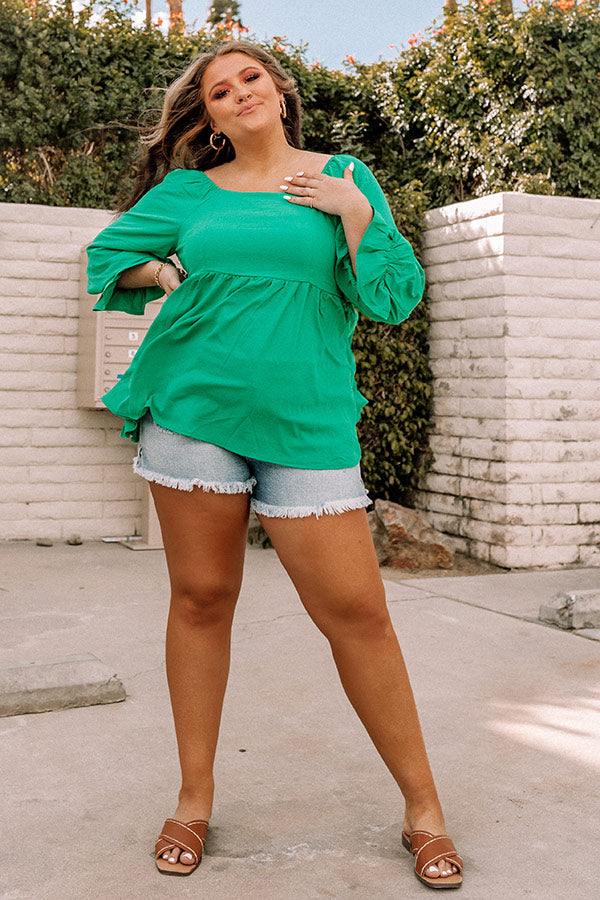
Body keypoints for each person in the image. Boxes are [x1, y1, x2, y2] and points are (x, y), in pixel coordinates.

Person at [85, 40, 463, 889]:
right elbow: (107, 260)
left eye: (250, 77)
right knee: (201, 599)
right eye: (219, 90)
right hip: (194, 413)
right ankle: (193, 799)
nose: (238, 92)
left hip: (307, 420)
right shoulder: (189, 193)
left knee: (357, 613)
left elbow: (392, 298)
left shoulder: (344, 177)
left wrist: (354, 213)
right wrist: (165, 271)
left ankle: (424, 809)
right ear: (210, 117)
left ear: (280, 90)